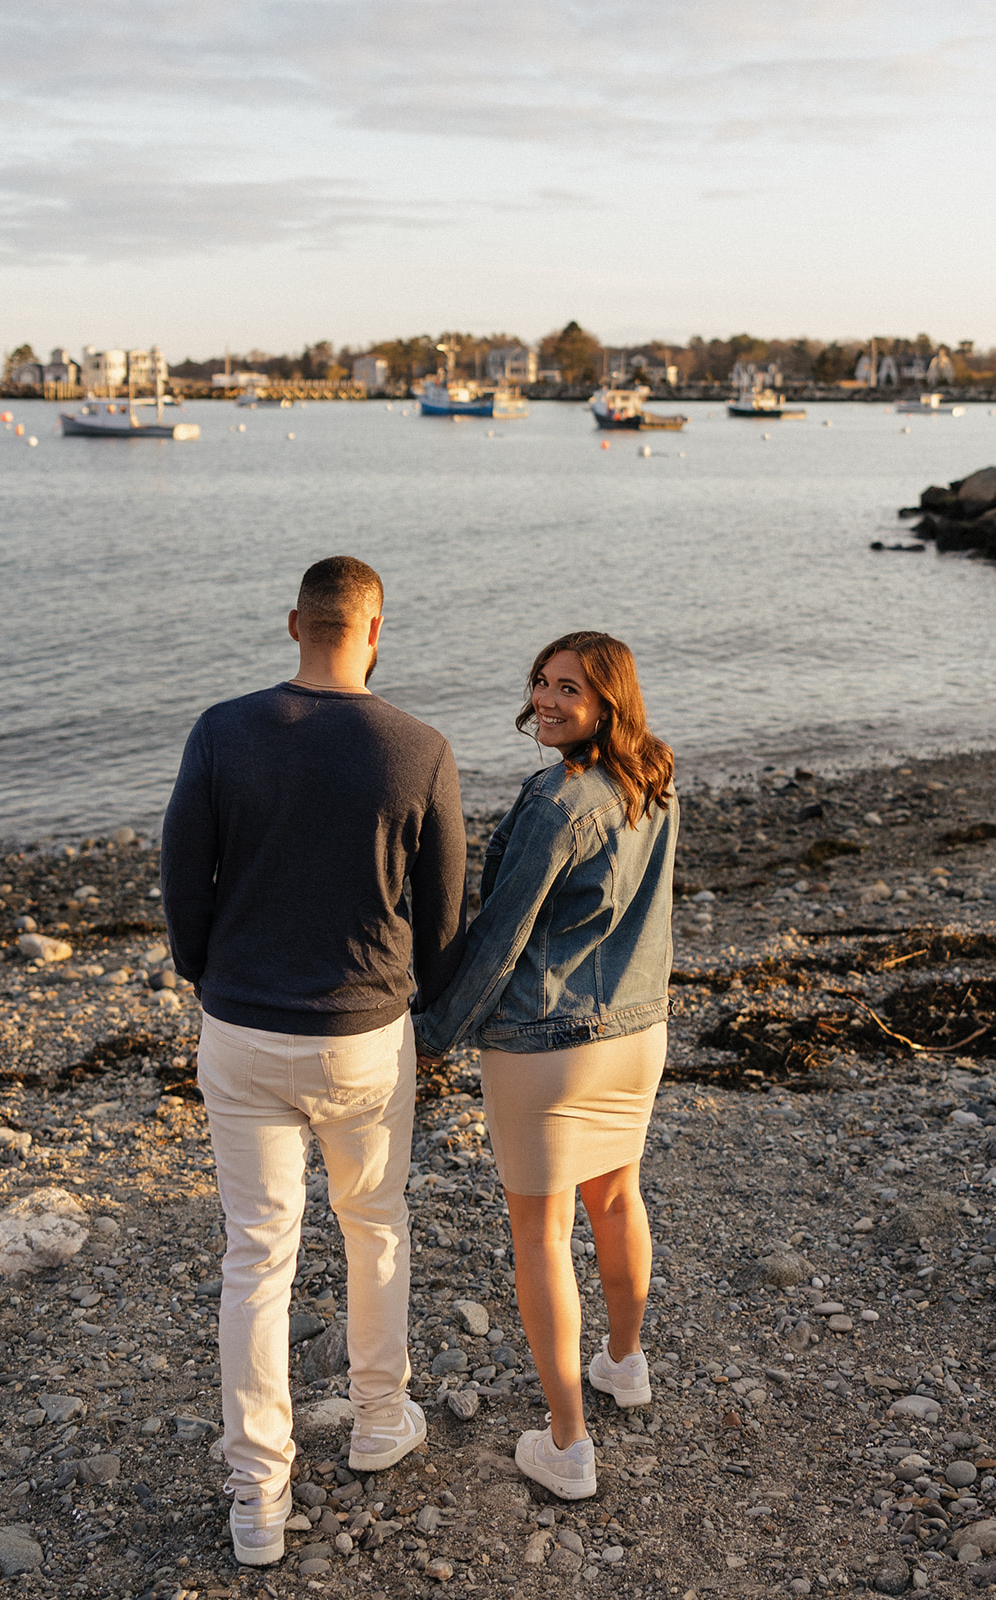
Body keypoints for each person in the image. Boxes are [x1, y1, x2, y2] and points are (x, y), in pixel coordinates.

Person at [161, 556, 467, 1565]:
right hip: (363, 1036)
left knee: (256, 1258)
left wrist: (210, 974)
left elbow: (182, 877)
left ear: (296, 622)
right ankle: (379, 1420)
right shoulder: (417, 748)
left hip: (242, 1028)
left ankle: (257, 1497)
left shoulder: (221, 729)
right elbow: (443, 916)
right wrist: (414, 992)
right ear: (376, 629)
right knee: (373, 1225)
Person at [414, 631, 677, 1501]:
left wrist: (432, 1031)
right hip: (636, 1035)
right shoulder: (653, 783)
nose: (548, 699)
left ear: (609, 700)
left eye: (570, 687)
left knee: (540, 1234)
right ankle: (624, 1363)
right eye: (541, 681)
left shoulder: (556, 800)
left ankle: (567, 1445)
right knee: (616, 1197)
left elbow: (501, 934)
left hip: (548, 1045)